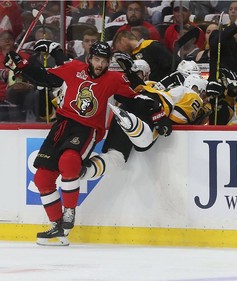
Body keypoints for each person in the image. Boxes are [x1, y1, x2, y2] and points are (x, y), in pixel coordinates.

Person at [3, 41, 166, 246]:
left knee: (69, 161)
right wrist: (21, 66)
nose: (99, 64)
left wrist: (158, 114)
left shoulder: (114, 79)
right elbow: (46, 77)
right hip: (62, 125)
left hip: (86, 128)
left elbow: (135, 99)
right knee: (43, 178)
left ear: (108, 63)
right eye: (97, 59)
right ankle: (58, 229)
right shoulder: (73, 68)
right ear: (89, 59)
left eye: (104, 61)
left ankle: (69, 212)